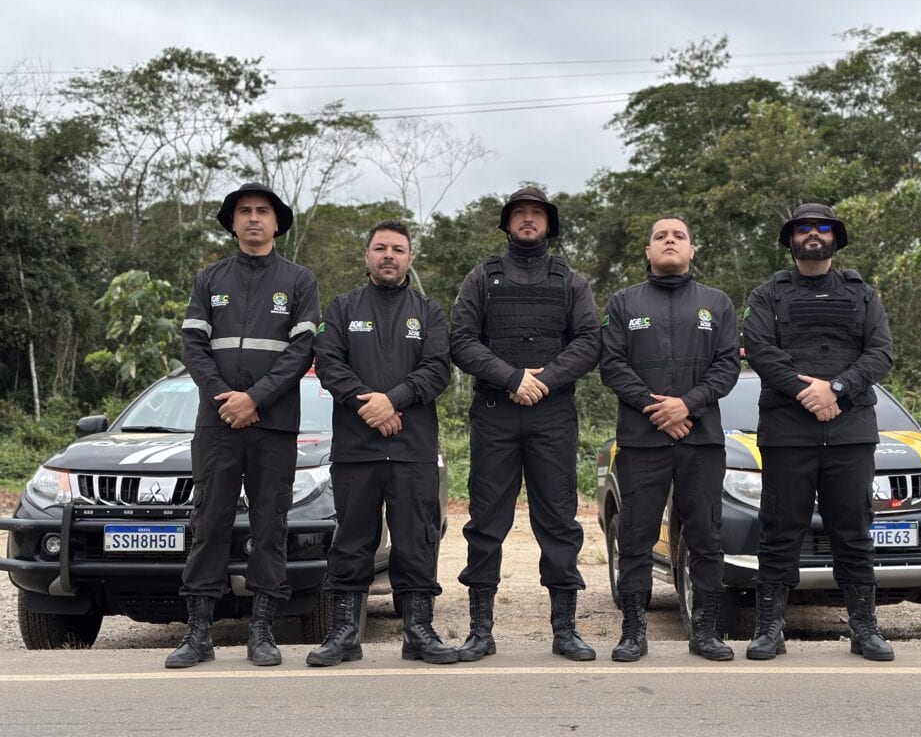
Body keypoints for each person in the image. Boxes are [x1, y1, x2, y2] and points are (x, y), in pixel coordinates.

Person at [167, 183, 320, 668]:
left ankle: (262, 630)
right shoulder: (209, 279)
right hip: (217, 425)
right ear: (232, 223)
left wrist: (254, 398)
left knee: (269, 524)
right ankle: (198, 633)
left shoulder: (299, 281)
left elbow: (301, 352)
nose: (254, 218)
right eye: (244, 211)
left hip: (274, 426)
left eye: (263, 211)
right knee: (208, 522)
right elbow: (193, 348)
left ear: (277, 223)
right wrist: (226, 399)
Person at [449, 186, 601, 662]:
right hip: (495, 412)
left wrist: (543, 381)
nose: (528, 219)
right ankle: (480, 631)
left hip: (552, 415)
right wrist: (512, 378)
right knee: (486, 520)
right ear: (507, 222)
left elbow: (589, 342)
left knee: (558, 521)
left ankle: (565, 630)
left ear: (548, 223)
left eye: (537, 213)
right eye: (520, 213)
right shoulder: (482, 277)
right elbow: (461, 340)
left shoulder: (571, 281)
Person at [742, 202, 895, 662]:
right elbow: (760, 351)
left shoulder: (863, 294)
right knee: (779, 530)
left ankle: (864, 629)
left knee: (853, 531)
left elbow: (881, 353)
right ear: (790, 239)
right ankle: (769, 629)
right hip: (787, 433)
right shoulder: (766, 295)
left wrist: (837, 388)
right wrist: (807, 392)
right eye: (804, 228)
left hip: (851, 433)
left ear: (834, 237)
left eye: (822, 227)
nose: (813, 233)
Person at [307, 220, 457, 666]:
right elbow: (328, 364)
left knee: (416, 540)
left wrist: (393, 401)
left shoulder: (428, 312)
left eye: (397, 249)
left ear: (410, 258)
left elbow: (437, 369)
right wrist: (367, 404)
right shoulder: (341, 308)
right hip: (356, 450)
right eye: (380, 248)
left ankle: (419, 632)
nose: (388, 255)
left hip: (413, 449)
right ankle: (343, 634)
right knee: (352, 540)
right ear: (366, 256)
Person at [600, 216, 740, 662]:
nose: (669, 241)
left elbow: (727, 367)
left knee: (705, 536)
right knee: (635, 535)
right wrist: (656, 408)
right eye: (660, 236)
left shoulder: (716, 303)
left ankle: (705, 632)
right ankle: (633, 632)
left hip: (701, 441)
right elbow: (612, 365)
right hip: (642, 441)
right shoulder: (624, 303)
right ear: (648, 251)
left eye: (679, 236)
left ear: (691, 249)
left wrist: (687, 406)